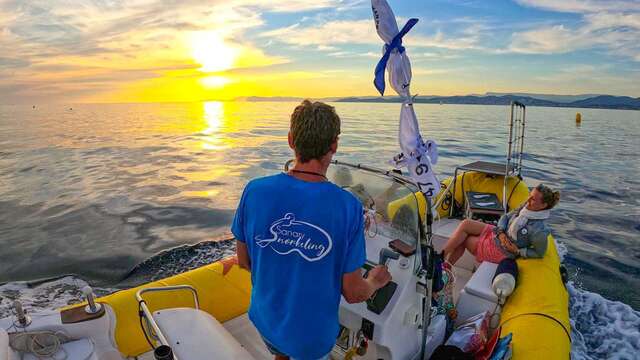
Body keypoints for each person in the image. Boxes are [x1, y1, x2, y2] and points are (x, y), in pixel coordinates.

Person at [232, 100, 392, 360]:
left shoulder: (254, 190)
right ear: (334, 146)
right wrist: (375, 280)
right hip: (312, 340)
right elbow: (353, 293)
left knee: (279, 351)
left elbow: (244, 261)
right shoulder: (348, 207)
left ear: (290, 140)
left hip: (265, 322)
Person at [442, 184, 560, 265]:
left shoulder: (539, 230)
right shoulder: (526, 207)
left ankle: (445, 268)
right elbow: (506, 216)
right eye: (530, 195)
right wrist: (501, 233)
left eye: (533, 199)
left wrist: (519, 251)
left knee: (465, 239)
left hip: (502, 250)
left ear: (543, 206)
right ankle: (439, 257)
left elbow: (540, 253)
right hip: (500, 233)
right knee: (466, 223)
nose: (528, 199)